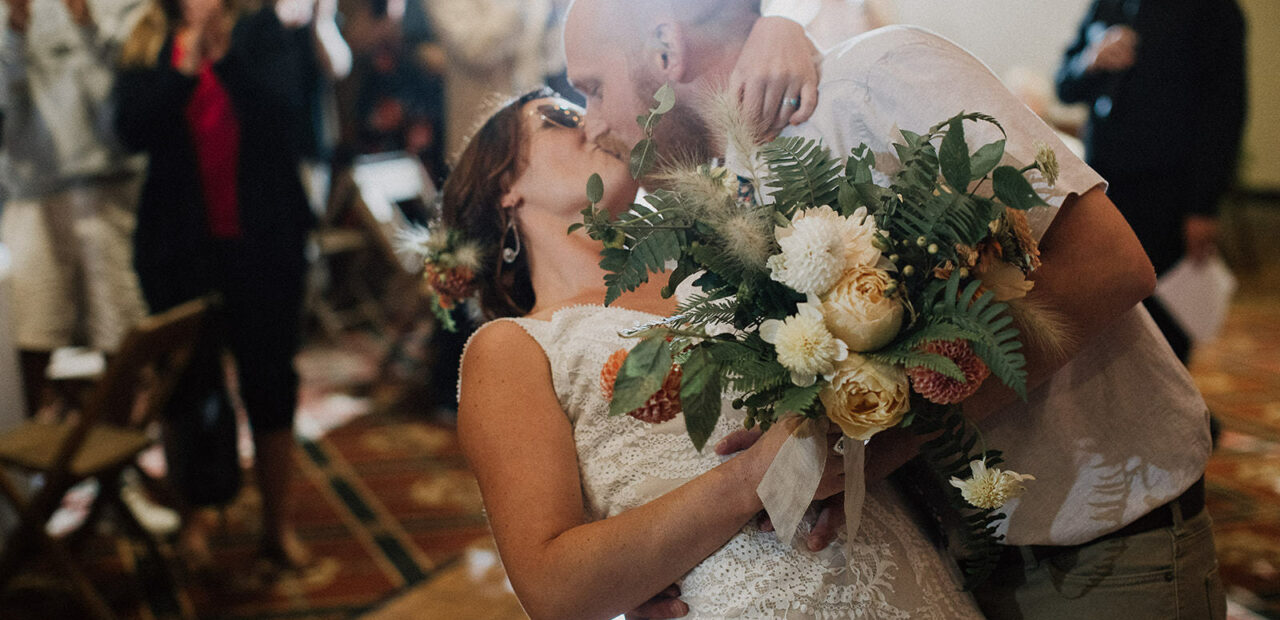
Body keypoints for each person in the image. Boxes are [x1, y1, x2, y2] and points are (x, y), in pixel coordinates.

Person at [562, 0, 1222, 618]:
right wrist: (671, 570)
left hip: (1106, 543)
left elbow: (1107, 265)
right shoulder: (718, 219)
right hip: (943, 572)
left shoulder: (877, 81)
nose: (589, 123)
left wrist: (880, 446)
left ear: (664, 46)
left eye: (591, 87)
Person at [453, 88, 984, 620]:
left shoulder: (730, 256)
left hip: (904, 575)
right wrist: (752, 476)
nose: (594, 123)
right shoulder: (516, 346)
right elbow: (552, 589)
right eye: (558, 119)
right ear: (504, 186)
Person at [115, 0, 319, 568]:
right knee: (187, 387)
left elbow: (290, 119)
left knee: (270, 382)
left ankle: (277, 525)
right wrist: (183, 70)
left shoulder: (265, 33)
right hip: (179, 250)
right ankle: (195, 522)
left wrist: (225, 60)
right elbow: (130, 130)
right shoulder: (147, 39)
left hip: (265, 243)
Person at [1055, 0, 1247, 363]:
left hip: (1169, 190)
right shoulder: (1106, 4)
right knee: (1101, 313)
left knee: (1164, 328)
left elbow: (1224, 113)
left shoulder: (1215, 9)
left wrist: (1203, 206)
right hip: (1103, 184)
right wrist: (1090, 60)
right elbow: (1065, 85)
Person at [0, 0, 149, 417]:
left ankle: (112, 472)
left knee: (120, 339)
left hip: (109, 185)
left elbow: (131, 96)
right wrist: (14, 32)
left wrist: (85, 24)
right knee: (26, 339)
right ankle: (29, 471)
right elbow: (6, 112)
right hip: (32, 190)